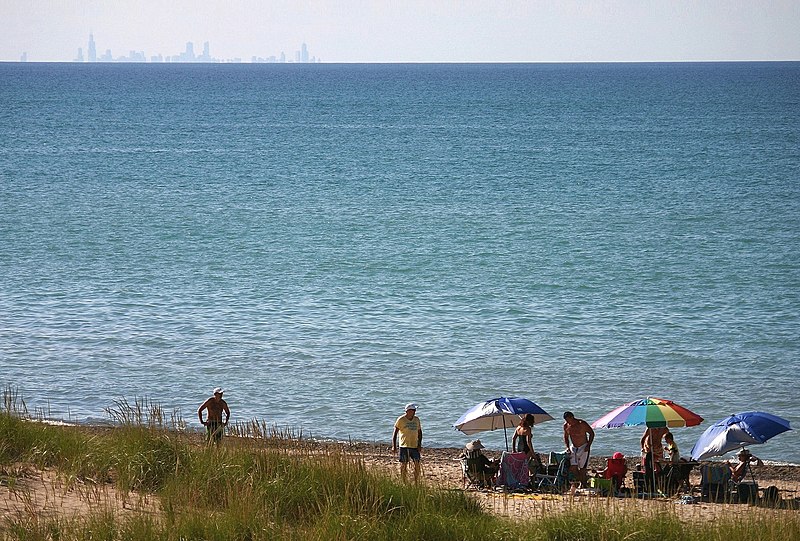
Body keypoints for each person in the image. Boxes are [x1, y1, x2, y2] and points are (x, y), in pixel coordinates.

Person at [392, 403, 423, 483]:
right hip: (404, 446)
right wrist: (394, 446)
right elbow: (395, 433)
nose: (415, 412)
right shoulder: (401, 419)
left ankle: (416, 481)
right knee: (404, 464)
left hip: (414, 446)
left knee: (417, 463)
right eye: (413, 410)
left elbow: (420, 432)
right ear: (408, 411)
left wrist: (419, 444)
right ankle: (403, 481)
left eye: (415, 410)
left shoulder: (416, 419)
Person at [563, 411, 595, 487]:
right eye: (566, 420)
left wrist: (588, 445)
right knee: (573, 468)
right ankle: (583, 481)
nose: (567, 422)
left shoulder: (582, 424)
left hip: (583, 447)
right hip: (573, 447)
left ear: (572, 417)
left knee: (582, 468)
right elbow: (566, 437)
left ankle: (583, 483)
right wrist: (567, 447)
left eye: (568, 420)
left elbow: (591, 433)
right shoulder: (566, 426)